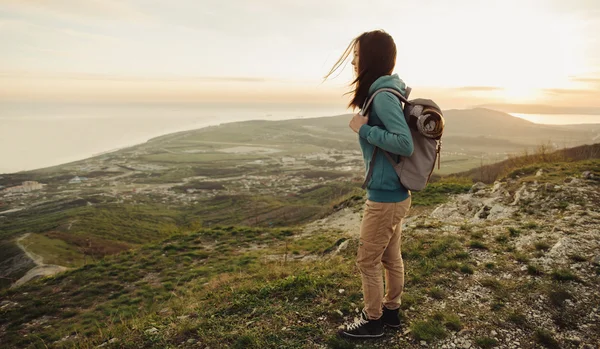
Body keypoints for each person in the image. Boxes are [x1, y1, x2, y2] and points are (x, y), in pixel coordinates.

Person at [325, 30, 414, 339]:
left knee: (367, 260)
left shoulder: (384, 97)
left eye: (358, 54)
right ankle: (391, 314)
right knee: (390, 257)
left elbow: (404, 143)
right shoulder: (385, 92)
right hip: (394, 194)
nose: (353, 60)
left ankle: (373, 321)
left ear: (371, 58)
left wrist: (364, 131)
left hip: (384, 199)